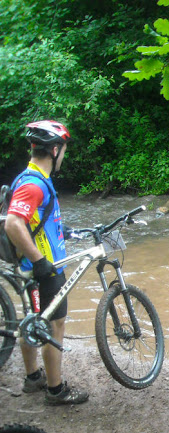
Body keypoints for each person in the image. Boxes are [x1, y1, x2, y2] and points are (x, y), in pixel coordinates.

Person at [5, 121, 89, 406]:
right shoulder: (33, 184)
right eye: (63, 149)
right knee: (55, 324)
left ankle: (33, 378)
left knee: (31, 319)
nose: (63, 154)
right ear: (55, 149)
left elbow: (34, 220)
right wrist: (39, 261)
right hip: (44, 269)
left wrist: (62, 231)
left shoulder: (32, 177)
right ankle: (56, 390)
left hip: (32, 267)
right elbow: (14, 224)